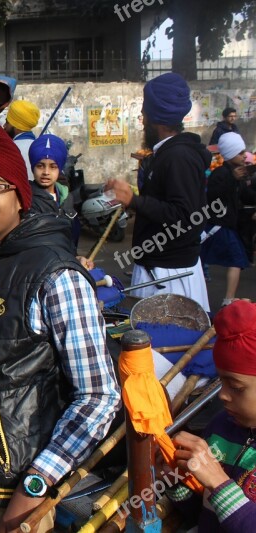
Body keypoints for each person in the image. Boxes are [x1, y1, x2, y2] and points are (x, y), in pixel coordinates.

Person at [0, 119, 121, 532]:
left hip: (9, 492)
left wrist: (37, 484)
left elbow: (98, 396)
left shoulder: (56, 275)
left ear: (19, 196)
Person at [106, 73, 212, 312]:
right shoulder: (166, 154)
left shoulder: (179, 157)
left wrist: (134, 200)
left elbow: (185, 216)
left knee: (163, 347)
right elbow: (166, 203)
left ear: (159, 120)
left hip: (169, 277)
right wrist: (133, 201)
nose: (142, 119)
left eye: (145, 113)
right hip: (160, 268)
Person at [165, 300, 256, 532]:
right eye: (220, 382)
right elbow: (204, 515)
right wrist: (176, 481)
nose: (223, 396)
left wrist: (217, 482)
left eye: (235, 387)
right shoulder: (220, 428)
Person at [200, 132, 256, 308]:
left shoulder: (236, 174)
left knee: (202, 260)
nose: (243, 156)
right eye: (240, 153)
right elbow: (214, 196)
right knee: (236, 260)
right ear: (231, 154)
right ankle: (228, 300)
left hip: (226, 225)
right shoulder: (220, 174)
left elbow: (245, 196)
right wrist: (233, 179)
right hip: (218, 226)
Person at [28, 133, 82, 249]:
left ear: (60, 169)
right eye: (40, 166)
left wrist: (76, 259)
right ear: (33, 167)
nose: (46, 172)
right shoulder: (27, 200)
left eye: (53, 166)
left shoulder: (67, 198)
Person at [2, 100, 40, 181]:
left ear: (16, 125)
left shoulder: (9, 148)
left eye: (7, 122)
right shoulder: (40, 146)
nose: (4, 126)